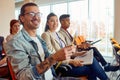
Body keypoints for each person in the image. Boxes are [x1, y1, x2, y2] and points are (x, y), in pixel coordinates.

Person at [4, 3, 74, 80]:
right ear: (22, 18)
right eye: (31, 14)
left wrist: (65, 52)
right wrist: (54, 58)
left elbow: (51, 56)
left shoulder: (39, 38)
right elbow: (23, 76)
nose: (36, 17)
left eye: (38, 14)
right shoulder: (15, 42)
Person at [41, 12, 109, 80]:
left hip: (69, 61)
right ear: (47, 23)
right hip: (62, 67)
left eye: (56, 20)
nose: (55, 23)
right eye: (52, 21)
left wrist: (78, 54)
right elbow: (52, 56)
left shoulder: (59, 35)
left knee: (92, 59)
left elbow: (67, 52)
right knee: (91, 69)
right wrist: (71, 61)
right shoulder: (46, 35)